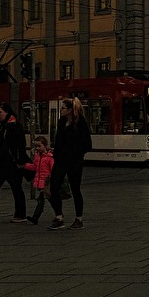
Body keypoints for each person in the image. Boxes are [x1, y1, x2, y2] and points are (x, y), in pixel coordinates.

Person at [47, 97, 92, 230]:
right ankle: (59, 217)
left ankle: (79, 219)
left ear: (70, 110)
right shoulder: (61, 122)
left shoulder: (81, 123)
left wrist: (74, 153)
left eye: (63, 108)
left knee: (75, 189)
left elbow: (87, 145)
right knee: (53, 187)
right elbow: (59, 141)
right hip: (60, 160)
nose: (60, 110)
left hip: (74, 162)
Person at [23, 135, 55, 225]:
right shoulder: (37, 156)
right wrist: (25, 166)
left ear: (45, 146)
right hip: (40, 182)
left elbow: (53, 170)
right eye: (36, 146)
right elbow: (34, 167)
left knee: (42, 200)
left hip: (46, 182)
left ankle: (35, 217)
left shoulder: (50, 157)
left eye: (39, 146)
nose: (37, 148)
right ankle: (58, 214)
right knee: (49, 200)